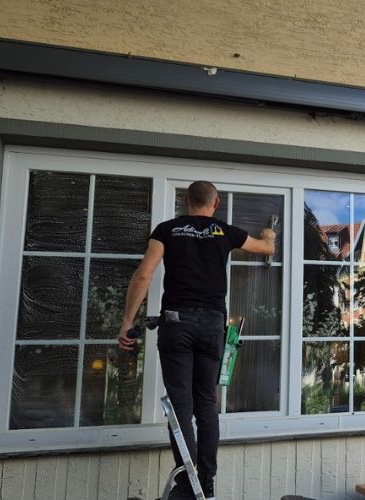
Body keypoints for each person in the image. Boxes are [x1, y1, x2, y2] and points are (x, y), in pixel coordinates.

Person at [117, 180, 275, 500]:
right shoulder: (225, 231)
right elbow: (265, 248)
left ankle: (189, 484)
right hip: (213, 323)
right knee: (206, 403)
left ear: (186, 200)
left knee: (181, 405)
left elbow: (144, 274)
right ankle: (207, 481)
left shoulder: (168, 230)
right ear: (215, 204)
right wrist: (270, 235)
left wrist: (127, 321)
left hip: (177, 322)